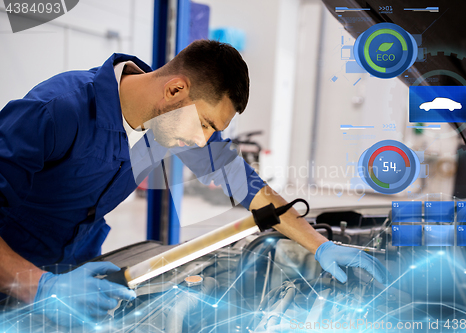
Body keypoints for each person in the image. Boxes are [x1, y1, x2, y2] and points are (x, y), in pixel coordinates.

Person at [0, 40, 390, 325]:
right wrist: (41, 287)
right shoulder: (57, 111)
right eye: (205, 124)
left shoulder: (167, 123)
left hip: (76, 273)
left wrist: (320, 246)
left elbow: (250, 188)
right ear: (175, 90)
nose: (203, 141)